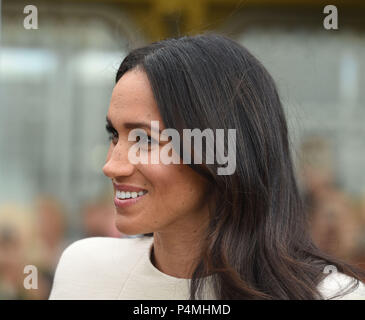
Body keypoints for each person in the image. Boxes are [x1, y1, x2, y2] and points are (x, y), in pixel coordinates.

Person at [49, 34, 365, 300]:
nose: (111, 166)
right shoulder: (84, 271)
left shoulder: (337, 296)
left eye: (145, 139)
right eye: (114, 135)